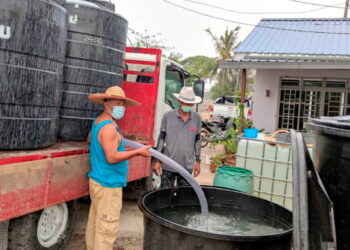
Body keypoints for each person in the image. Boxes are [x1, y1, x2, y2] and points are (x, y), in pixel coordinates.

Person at [85, 86, 151, 250]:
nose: (121, 107)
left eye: (123, 104)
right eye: (117, 103)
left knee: (96, 223)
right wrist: (137, 152)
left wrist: (122, 148)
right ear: (106, 104)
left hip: (99, 181)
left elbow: (90, 140)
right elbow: (112, 157)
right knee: (107, 229)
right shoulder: (109, 127)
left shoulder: (99, 122)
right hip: (108, 184)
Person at [153, 87, 202, 187]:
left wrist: (198, 161)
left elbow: (197, 141)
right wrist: (157, 160)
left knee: (183, 199)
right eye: (185, 103)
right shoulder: (168, 116)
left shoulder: (197, 119)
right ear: (179, 101)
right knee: (165, 197)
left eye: (190, 104)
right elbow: (161, 139)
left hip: (186, 167)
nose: (188, 106)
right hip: (168, 165)